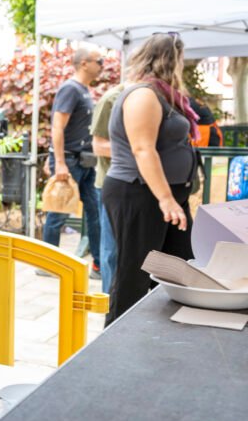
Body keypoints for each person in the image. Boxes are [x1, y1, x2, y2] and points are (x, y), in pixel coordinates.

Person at [102, 33, 197, 324]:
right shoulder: (143, 94)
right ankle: (115, 341)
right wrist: (166, 199)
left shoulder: (163, 95)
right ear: (171, 59)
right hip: (139, 193)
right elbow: (142, 149)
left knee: (178, 266)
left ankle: (159, 332)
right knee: (134, 273)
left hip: (163, 197)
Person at [41, 47, 104, 279]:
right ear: (84, 63)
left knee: (94, 212)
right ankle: (47, 264)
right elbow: (57, 127)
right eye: (99, 61)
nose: (102, 65)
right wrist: (59, 163)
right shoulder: (70, 89)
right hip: (69, 160)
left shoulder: (85, 90)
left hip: (85, 161)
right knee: (57, 212)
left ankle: (98, 264)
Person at [91, 83, 124, 294]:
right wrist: (140, 149)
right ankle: (109, 305)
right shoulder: (111, 99)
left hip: (142, 187)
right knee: (111, 252)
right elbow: (98, 145)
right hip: (111, 185)